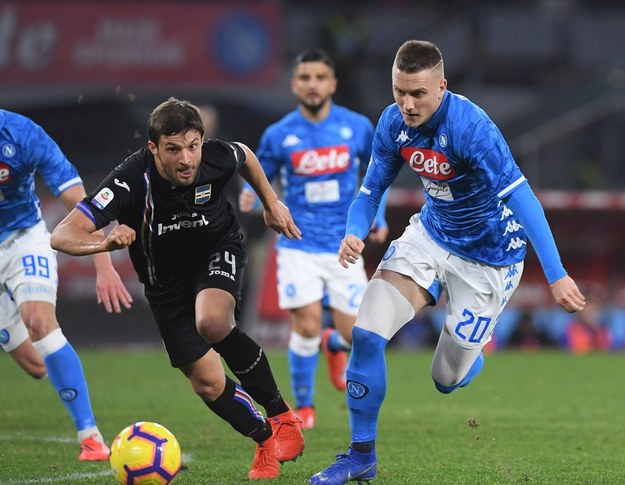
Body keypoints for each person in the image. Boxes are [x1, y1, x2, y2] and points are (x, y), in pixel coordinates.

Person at [309, 40, 586, 485]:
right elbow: (368, 193)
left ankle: (469, 356)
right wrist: (353, 234)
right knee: (366, 333)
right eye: (399, 91)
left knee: (445, 378)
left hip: (490, 260)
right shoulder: (392, 123)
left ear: (442, 87)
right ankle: (361, 456)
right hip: (431, 237)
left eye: (418, 93)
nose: (407, 103)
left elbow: (523, 198)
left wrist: (556, 275)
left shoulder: (472, 128)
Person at [50, 97, 305, 480]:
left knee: (212, 321)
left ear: (202, 140)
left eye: (193, 146)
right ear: (153, 148)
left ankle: (283, 416)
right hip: (164, 285)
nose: (186, 160)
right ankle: (264, 438)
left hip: (217, 250)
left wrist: (271, 202)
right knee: (207, 382)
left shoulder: (216, 156)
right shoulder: (129, 180)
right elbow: (62, 235)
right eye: (173, 149)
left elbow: (246, 156)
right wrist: (103, 243)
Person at [239, 48, 389, 430]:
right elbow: (260, 174)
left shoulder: (356, 127)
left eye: (320, 77)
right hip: (297, 243)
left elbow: (379, 175)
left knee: (358, 333)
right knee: (305, 325)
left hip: (344, 244)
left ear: (332, 83)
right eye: (305, 78)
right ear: (294, 84)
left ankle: (335, 346)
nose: (312, 84)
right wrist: (252, 194)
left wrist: (379, 216)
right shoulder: (279, 134)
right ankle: (304, 406)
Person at [0, 109, 133, 460]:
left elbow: (81, 204)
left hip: (22, 239)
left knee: (40, 323)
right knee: (35, 366)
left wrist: (103, 263)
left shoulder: (23, 135)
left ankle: (91, 438)